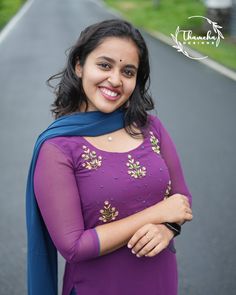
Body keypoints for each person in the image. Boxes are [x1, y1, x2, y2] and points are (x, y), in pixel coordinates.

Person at [26, 19, 193, 295]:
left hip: (160, 281)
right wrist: (157, 214)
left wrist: (169, 227)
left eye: (128, 71)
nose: (115, 80)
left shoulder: (150, 128)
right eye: (104, 65)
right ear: (79, 65)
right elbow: (74, 246)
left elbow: (180, 199)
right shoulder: (57, 148)